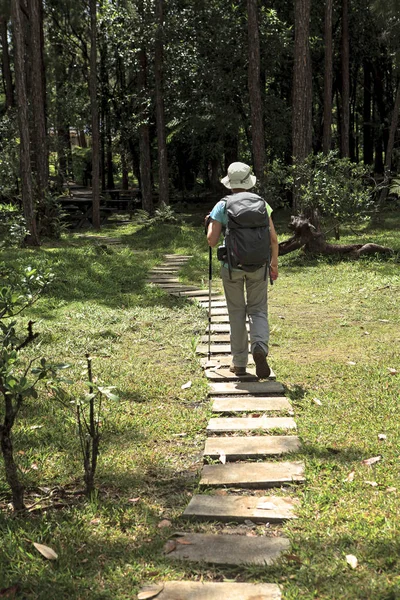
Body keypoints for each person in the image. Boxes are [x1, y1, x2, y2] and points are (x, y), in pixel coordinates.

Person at [206, 162, 279, 378]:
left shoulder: (222, 205)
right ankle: (259, 347)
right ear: (248, 182)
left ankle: (239, 364)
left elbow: (211, 241)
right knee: (258, 309)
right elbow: (273, 238)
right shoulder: (261, 203)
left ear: (230, 183)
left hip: (232, 268)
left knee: (236, 313)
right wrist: (273, 264)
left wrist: (210, 221)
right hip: (259, 266)